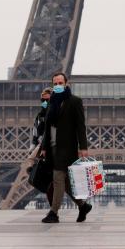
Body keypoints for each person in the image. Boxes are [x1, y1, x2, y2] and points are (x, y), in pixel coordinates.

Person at [40, 72, 92, 223]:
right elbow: (47, 127)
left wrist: (83, 147)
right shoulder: (51, 102)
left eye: (60, 83)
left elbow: (80, 126)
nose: (57, 86)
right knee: (67, 183)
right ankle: (83, 206)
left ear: (66, 83)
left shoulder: (74, 101)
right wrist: (44, 147)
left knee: (57, 178)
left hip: (66, 147)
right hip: (52, 148)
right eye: (55, 83)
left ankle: (53, 213)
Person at [29, 87, 54, 206]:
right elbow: (35, 131)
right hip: (42, 145)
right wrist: (33, 144)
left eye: (47, 100)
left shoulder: (55, 113)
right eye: (42, 100)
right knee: (31, 159)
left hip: (52, 145)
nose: (44, 103)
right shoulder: (40, 116)